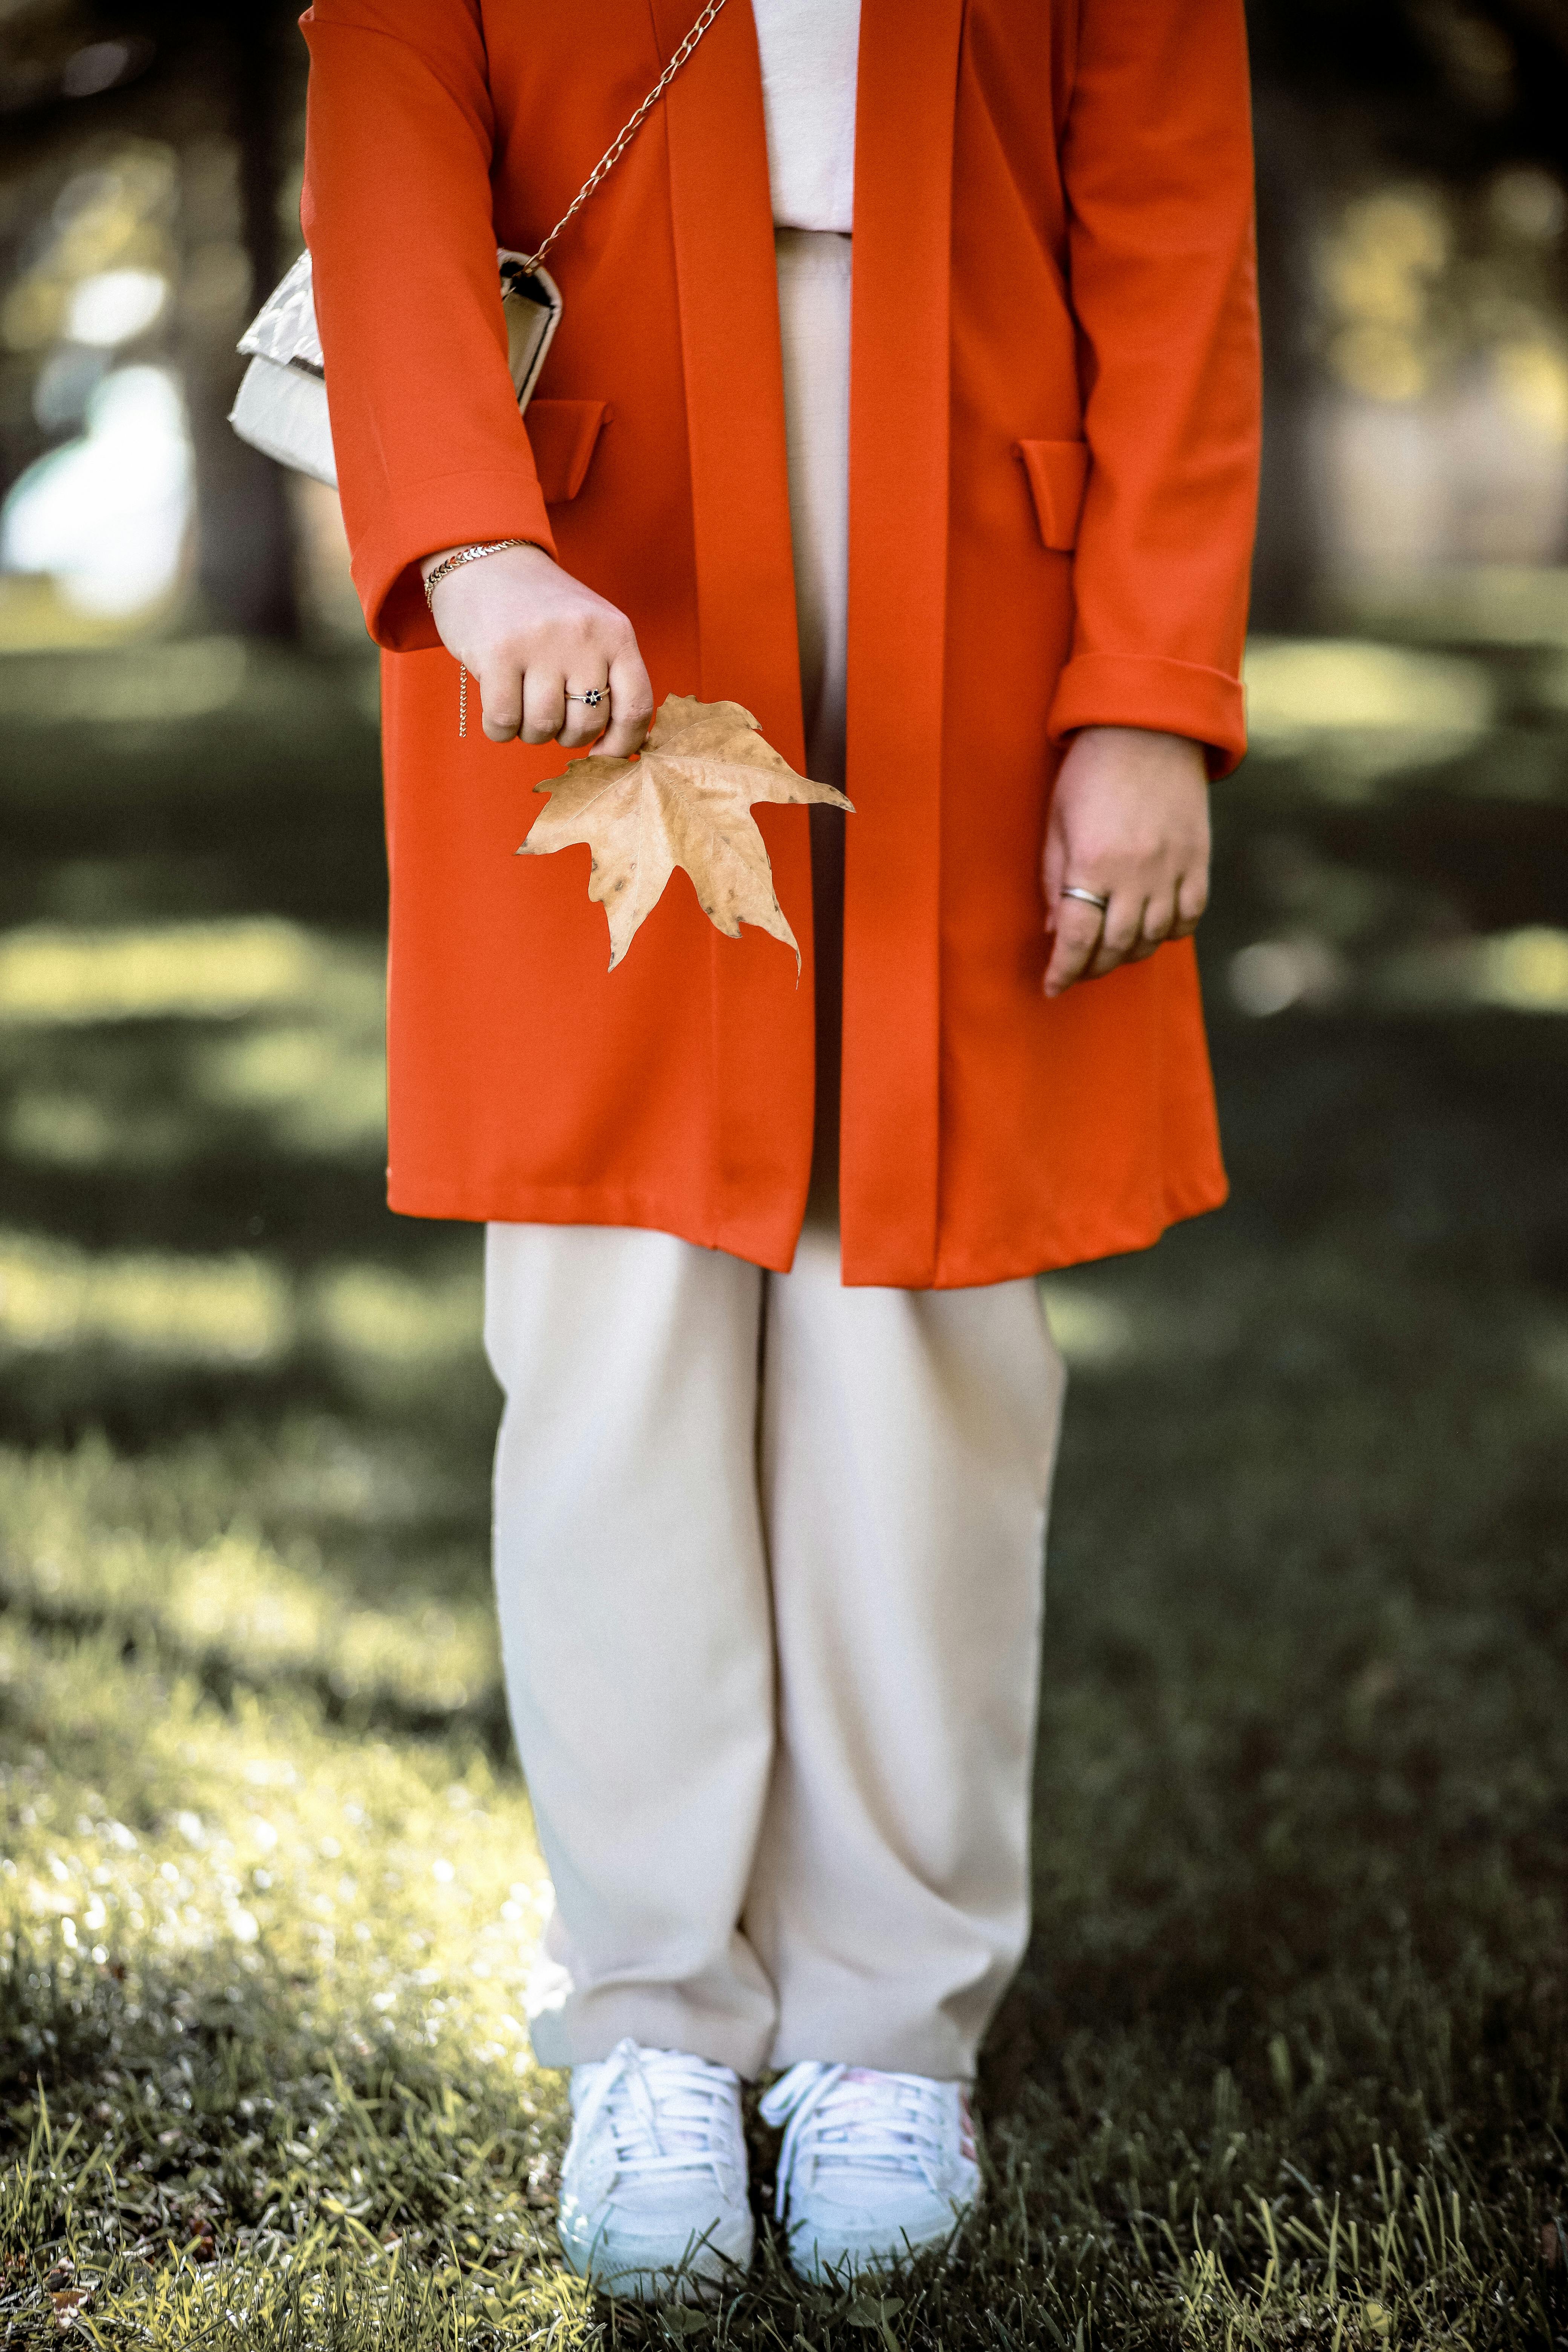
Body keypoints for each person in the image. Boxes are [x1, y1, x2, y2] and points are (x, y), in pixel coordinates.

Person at [300, 0, 1260, 2303]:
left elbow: (1171, 222)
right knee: (619, 1312)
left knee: (918, 1308)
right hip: (587, 529)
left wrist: (1149, 690)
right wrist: (462, 545)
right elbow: (394, 139)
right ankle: (652, 2015)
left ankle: (887, 2028)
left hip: (988, 536)